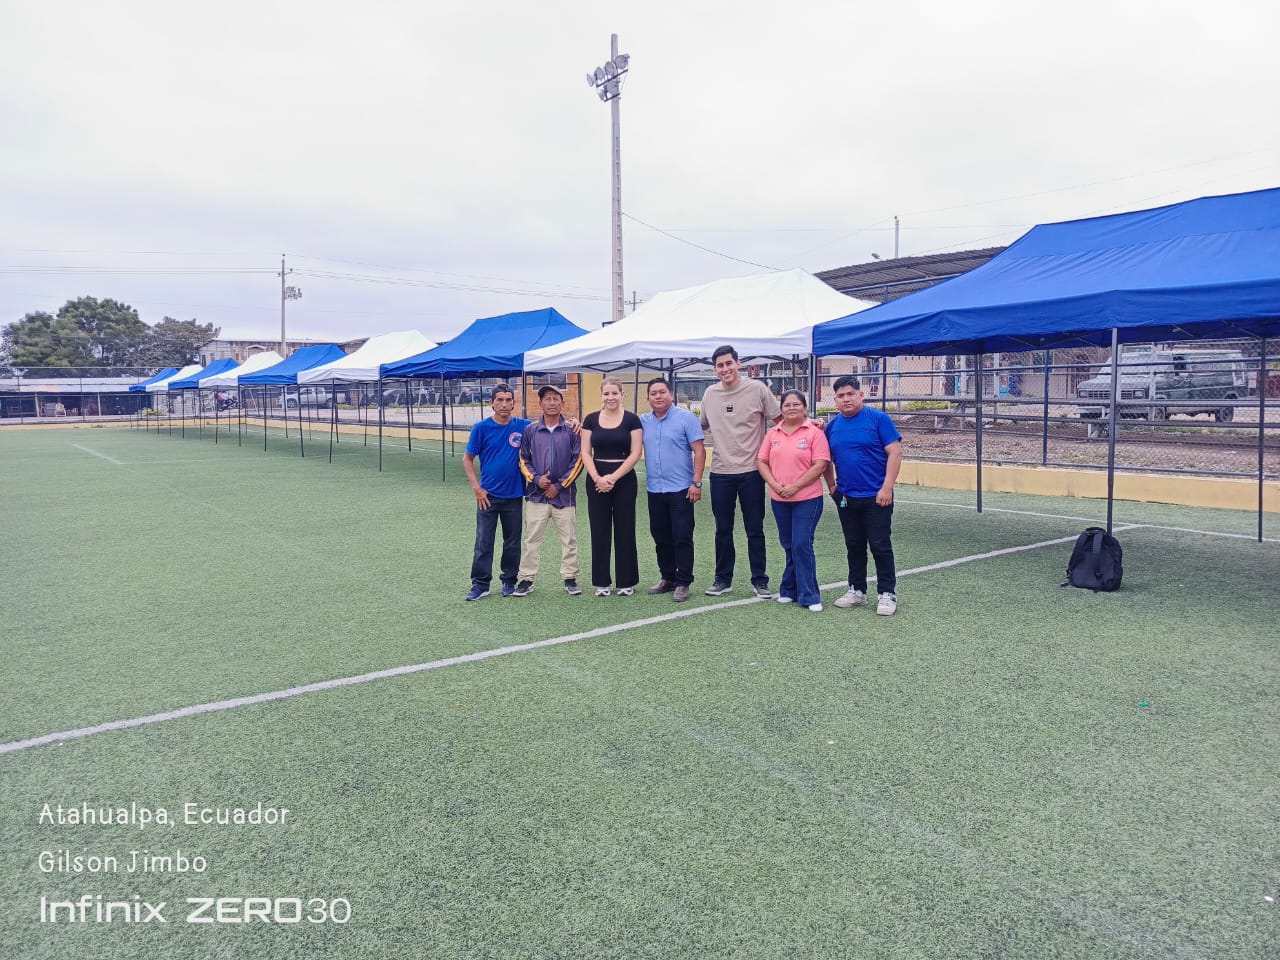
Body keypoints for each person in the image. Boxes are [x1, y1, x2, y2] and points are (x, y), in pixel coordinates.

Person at [700, 345, 781, 598]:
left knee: (754, 529)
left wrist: (809, 425)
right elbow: (700, 427)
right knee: (722, 529)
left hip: (752, 471)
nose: (725, 369)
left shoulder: (758, 389)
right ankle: (723, 579)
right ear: (715, 369)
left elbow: (781, 420)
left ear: (738, 364)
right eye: (720, 365)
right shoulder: (710, 394)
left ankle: (760, 580)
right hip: (720, 472)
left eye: (728, 363)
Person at [823, 376, 903, 616]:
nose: (846, 399)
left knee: (880, 545)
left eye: (850, 394)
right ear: (835, 400)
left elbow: (895, 453)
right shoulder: (832, 426)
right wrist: (832, 487)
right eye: (840, 396)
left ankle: (887, 593)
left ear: (861, 395)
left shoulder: (878, 419)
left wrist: (887, 487)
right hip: (846, 498)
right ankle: (857, 590)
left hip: (877, 497)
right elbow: (825, 460)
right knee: (854, 545)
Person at [757, 390, 831, 612]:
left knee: (801, 544)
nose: (791, 408)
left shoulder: (814, 432)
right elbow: (762, 461)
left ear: (805, 408)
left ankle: (810, 595)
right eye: (787, 405)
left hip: (807, 499)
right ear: (781, 409)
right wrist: (774, 484)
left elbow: (820, 465)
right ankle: (789, 589)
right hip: (779, 499)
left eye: (796, 404)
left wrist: (795, 487)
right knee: (789, 544)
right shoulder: (773, 433)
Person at [513, 384, 584, 597]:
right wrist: (536, 479)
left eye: (555, 399)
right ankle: (526, 579)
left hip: (564, 497)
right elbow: (523, 459)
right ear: (541, 403)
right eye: (547, 399)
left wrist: (558, 486)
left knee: (569, 540)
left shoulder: (572, 430)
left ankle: (570, 579)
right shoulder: (531, 430)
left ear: (562, 403)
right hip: (536, 496)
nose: (551, 403)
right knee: (531, 540)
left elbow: (578, 461)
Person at [462, 384, 531, 601]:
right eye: (499, 400)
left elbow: (548, 425)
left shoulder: (523, 426)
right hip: (487, 497)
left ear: (513, 403)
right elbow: (467, 459)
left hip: (514, 496)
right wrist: (477, 488)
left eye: (508, 400)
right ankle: (480, 584)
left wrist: (572, 423)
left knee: (512, 542)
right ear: (491, 403)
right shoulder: (481, 428)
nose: (504, 404)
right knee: (484, 542)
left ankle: (509, 581)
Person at [640, 377, 705, 603]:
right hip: (655, 489)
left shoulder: (686, 418)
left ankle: (683, 581)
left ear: (671, 394)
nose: (658, 396)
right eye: (653, 393)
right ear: (648, 398)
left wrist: (696, 483)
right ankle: (667, 577)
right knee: (660, 535)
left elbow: (699, 451)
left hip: (681, 489)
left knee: (682, 536)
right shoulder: (643, 421)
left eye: (662, 392)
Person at [581, 377, 643, 597]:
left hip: (624, 479)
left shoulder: (632, 420)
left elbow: (636, 453)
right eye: (606, 394)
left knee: (625, 529)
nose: (610, 397)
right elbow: (585, 452)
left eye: (614, 393)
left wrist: (613, 478)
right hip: (596, 480)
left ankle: (626, 581)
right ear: (601, 396)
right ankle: (602, 582)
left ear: (622, 394)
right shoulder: (590, 420)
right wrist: (597, 478)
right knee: (599, 530)